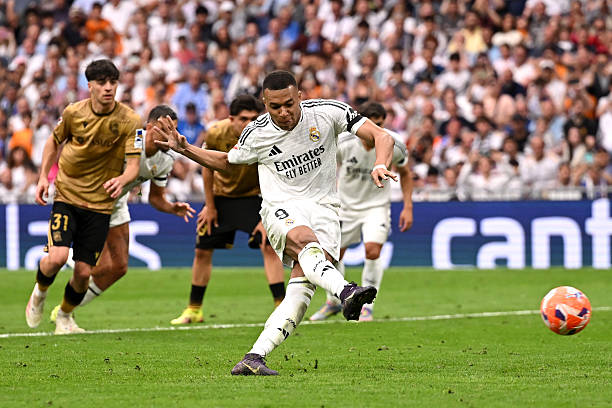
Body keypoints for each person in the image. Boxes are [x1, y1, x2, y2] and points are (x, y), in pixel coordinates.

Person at [153, 70, 397, 376]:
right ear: (265, 104)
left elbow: (382, 136)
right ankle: (345, 290)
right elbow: (226, 162)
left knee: (301, 290)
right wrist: (185, 148)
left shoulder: (328, 112)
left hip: (325, 210)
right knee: (306, 243)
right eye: (275, 106)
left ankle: (254, 357)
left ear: (299, 97)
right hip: (281, 208)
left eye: (289, 104)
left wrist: (379, 163)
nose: (283, 112)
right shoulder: (257, 133)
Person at [48, 105, 196, 329]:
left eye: (173, 130)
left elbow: (156, 198)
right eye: (165, 129)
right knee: (93, 267)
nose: (170, 135)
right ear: (149, 128)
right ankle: (69, 263)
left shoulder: (166, 159)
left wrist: (172, 208)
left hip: (117, 205)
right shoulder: (128, 140)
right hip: (92, 201)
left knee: (118, 267)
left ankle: (64, 309)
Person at [25, 59, 142, 334]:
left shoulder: (130, 120)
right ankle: (40, 292)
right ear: (90, 86)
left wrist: (122, 180)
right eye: (102, 83)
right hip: (68, 196)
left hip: (100, 206)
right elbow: (53, 141)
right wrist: (43, 177)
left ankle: (64, 316)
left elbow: (134, 166)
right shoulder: (73, 113)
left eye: (113, 82)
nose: (108, 88)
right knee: (56, 258)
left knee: (83, 273)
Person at [170, 95, 286, 325]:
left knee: (268, 245)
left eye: (254, 118)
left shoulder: (267, 134)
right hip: (220, 198)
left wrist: (267, 214)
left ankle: (282, 308)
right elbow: (207, 167)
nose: (249, 124)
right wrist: (210, 205)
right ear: (231, 118)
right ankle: (194, 310)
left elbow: (274, 173)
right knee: (202, 251)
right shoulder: (215, 133)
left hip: (253, 197)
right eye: (243, 119)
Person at [309, 102, 413, 322]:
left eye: (380, 124)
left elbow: (405, 173)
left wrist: (408, 206)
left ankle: (367, 306)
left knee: (373, 251)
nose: (376, 130)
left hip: (376, 207)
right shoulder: (344, 142)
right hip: (345, 207)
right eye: (372, 124)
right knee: (333, 255)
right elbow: (324, 168)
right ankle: (334, 301)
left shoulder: (394, 144)